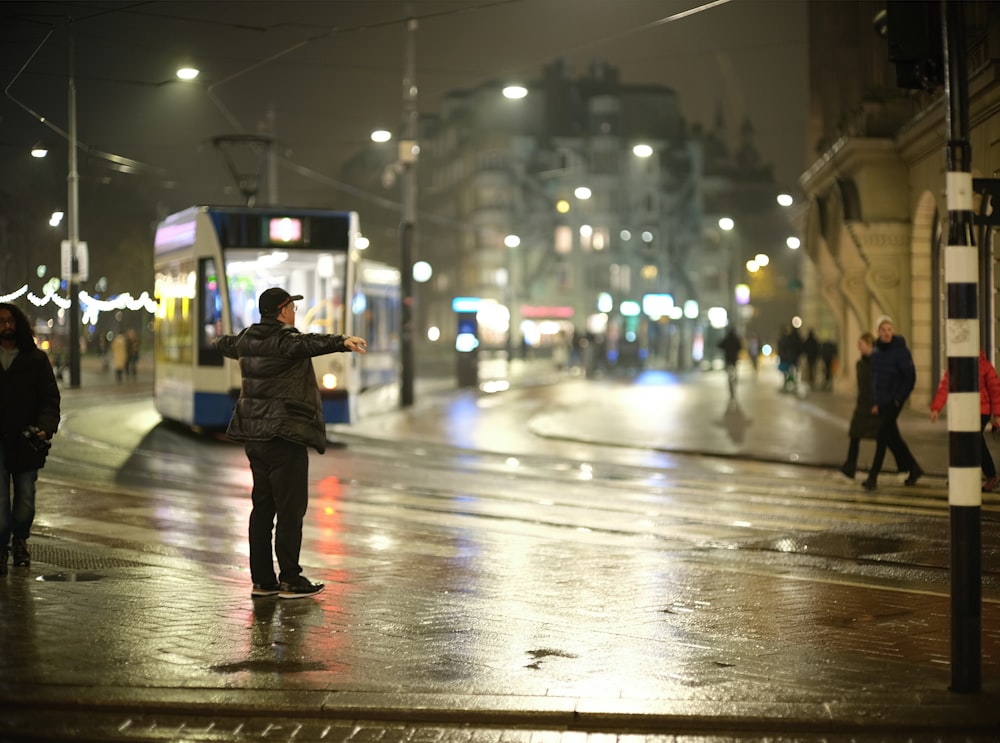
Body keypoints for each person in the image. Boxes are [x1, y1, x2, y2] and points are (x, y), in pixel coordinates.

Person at [215, 288, 368, 600]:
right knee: (290, 510)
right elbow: (311, 343)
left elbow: (224, 343)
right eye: (292, 307)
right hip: (283, 435)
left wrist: (218, 339)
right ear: (282, 310)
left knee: (262, 509)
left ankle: (263, 581)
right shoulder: (285, 339)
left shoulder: (246, 339)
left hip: (254, 436)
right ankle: (290, 579)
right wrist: (343, 342)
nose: (295, 313)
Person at [0, 303, 61, 575]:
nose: (6, 326)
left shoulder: (35, 359)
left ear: (19, 324)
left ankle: (20, 539)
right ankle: (1, 548)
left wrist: (44, 429)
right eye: (1, 321)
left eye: (10, 320)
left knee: (25, 498)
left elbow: (50, 399)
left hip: (25, 440)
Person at [862, 316, 923, 491]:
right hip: (882, 402)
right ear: (878, 332)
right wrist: (875, 402)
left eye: (889, 329)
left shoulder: (901, 350)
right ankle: (913, 468)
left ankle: (873, 477)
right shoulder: (877, 351)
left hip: (894, 402)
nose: (887, 332)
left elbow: (910, 377)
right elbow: (876, 379)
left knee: (882, 437)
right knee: (892, 438)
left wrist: (899, 398)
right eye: (883, 330)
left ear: (893, 331)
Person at [929, 349, 1000, 492]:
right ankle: (961, 475)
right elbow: (945, 386)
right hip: (962, 410)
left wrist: (998, 415)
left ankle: (990, 475)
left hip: (981, 410)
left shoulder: (985, 366)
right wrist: (936, 408)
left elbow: (995, 391)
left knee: (974, 440)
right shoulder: (956, 365)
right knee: (962, 440)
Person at [839, 333, 882, 479]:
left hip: (875, 408)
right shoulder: (860, 363)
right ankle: (850, 467)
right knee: (854, 436)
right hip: (862, 407)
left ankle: (907, 465)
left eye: (861, 344)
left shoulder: (877, 363)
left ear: (869, 344)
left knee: (886, 441)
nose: (858, 347)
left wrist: (877, 402)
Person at [718, 327, 742, 399]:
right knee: (734, 371)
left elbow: (720, 345)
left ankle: (731, 383)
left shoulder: (726, 339)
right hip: (734, 359)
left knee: (729, 373)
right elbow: (740, 347)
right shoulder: (736, 339)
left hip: (728, 359)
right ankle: (735, 380)